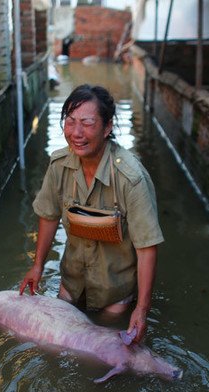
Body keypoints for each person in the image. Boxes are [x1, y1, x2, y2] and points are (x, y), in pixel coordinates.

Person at [19, 84, 164, 344]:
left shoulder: (131, 178)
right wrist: (38, 266)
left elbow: (147, 248)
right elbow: (49, 216)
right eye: (70, 122)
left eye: (87, 123)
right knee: (57, 341)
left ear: (107, 127)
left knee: (107, 340)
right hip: (73, 280)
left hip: (114, 291)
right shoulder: (59, 165)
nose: (76, 133)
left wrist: (142, 309)